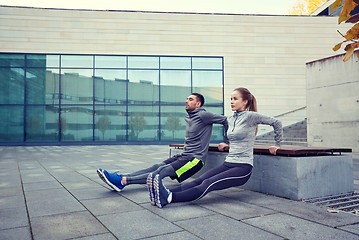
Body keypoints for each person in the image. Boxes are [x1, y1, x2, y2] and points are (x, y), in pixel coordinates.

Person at [150, 87, 283, 208]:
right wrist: (227, 143)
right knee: (200, 179)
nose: (231, 101)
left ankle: (169, 198)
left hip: (243, 167)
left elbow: (276, 122)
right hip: (228, 164)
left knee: (207, 183)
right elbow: (231, 132)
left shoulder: (251, 116)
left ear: (245, 102)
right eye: (231, 99)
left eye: (235, 99)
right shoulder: (231, 119)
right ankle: (163, 193)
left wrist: (277, 144)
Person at [97, 93, 229, 198]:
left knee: (161, 171)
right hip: (184, 155)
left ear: (198, 104)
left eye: (190, 99)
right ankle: (121, 178)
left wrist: (228, 142)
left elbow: (225, 120)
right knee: (156, 166)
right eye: (187, 99)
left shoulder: (203, 114)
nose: (186, 101)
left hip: (195, 159)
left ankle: (123, 181)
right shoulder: (190, 116)